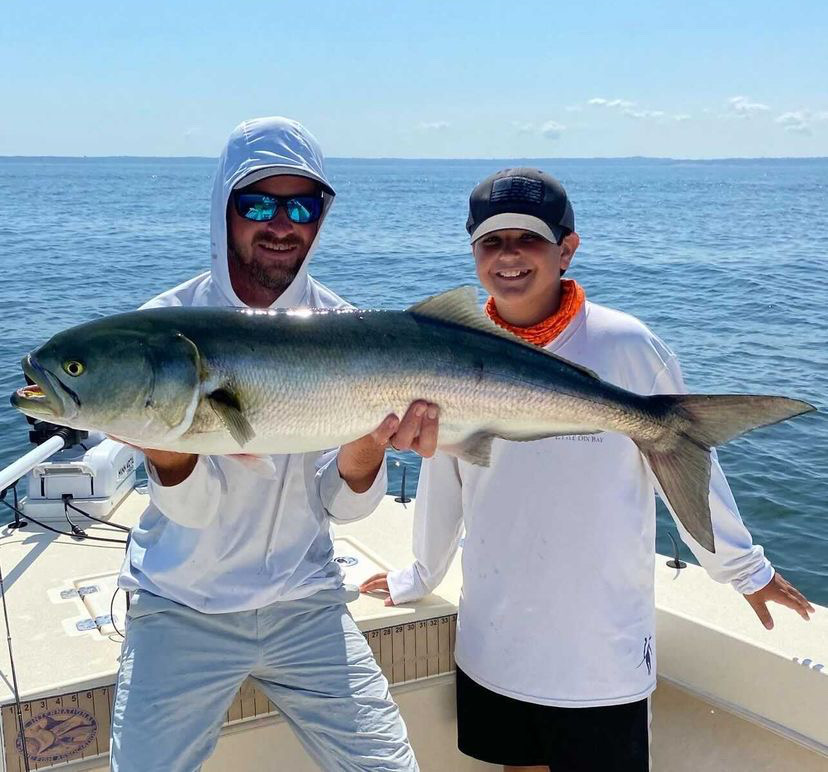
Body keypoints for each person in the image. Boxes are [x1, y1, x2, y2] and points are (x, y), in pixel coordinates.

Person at [360, 167, 814, 772]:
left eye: (529, 239)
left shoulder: (626, 346)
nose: (509, 256)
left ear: (567, 249)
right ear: (473, 253)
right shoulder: (450, 350)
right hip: (494, 636)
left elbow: (685, 460)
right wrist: (419, 574)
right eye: (491, 242)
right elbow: (447, 476)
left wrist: (741, 567)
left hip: (601, 646)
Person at [110, 117, 437, 772]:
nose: (281, 224)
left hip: (307, 601)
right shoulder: (160, 334)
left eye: (302, 206)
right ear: (224, 209)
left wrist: (369, 448)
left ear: (322, 217)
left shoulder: (348, 335)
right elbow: (195, 513)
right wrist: (170, 456)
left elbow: (341, 511)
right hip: (181, 606)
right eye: (258, 202)